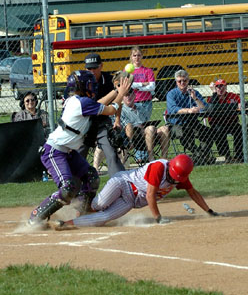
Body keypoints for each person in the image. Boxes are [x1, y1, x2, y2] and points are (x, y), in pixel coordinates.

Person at [28, 70, 131, 225]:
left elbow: (99, 104)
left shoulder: (77, 101)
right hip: (54, 151)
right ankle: (36, 217)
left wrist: (117, 90)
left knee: (91, 177)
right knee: (68, 188)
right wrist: (121, 94)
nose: (92, 87)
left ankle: (81, 211)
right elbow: (111, 109)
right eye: (89, 84)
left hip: (68, 152)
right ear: (82, 86)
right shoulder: (81, 102)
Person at [54, 154, 219, 229]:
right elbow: (150, 195)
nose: (174, 179)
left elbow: (193, 193)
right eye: (174, 175)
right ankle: (71, 202)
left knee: (105, 217)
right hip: (123, 182)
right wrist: (158, 218)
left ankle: (65, 224)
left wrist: (209, 211)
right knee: (99, 204)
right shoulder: (159, 167)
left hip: (130, 200)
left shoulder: (180, 176)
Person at [79, 53, 125, 177]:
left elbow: (118, 99)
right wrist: (117, 91)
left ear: (101, 66)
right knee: (78, 156)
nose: (92, 71)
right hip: (85, 125)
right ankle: (73, 187)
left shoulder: (109, 80)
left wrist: (117, 120)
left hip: (102, 123)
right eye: (89, 68)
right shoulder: (82, 82)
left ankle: (120, 184)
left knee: (111, 153)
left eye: (95, 67)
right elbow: (92, 107)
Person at [166, 70, 215, 165]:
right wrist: (188, 110)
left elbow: (204, 108)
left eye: (184, 80)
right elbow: (173, 109)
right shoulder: (171, 94)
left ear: (188, 81)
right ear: (176, 82)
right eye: (179, 81)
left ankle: (197, 158)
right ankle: (200, 157)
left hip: (193, 122)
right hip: (177, 124)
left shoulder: (194, 92)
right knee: (185, 136)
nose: (182, 83)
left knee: (209, 133)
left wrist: (195, 99)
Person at [129, 45, 156, 162]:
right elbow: (129, 85)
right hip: (134, 102)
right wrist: (143, 84)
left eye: (139, 55)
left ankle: (144, 155)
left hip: (146, 103)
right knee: (137, 128)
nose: (137, 58)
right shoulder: (128, 70)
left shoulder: (148, 71)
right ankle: (139, 156)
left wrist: (137, 86)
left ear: (142, 56)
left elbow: (152, 87)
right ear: (131, 57)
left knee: (145, 128)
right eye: (134, 55)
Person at [207, 79, 243, 162]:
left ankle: (239, 156)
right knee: (218, 131)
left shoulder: (232, 96)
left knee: (240, 130)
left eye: (222, 86)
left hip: (231, 122)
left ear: (226, 87)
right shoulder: (212, 98)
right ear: (215, 88)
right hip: (217, 123)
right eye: (218, 87)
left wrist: (240, 104)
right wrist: (214, 93)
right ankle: (226, 156)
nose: (220, 89)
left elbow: (241, 103)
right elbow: (213, 108)